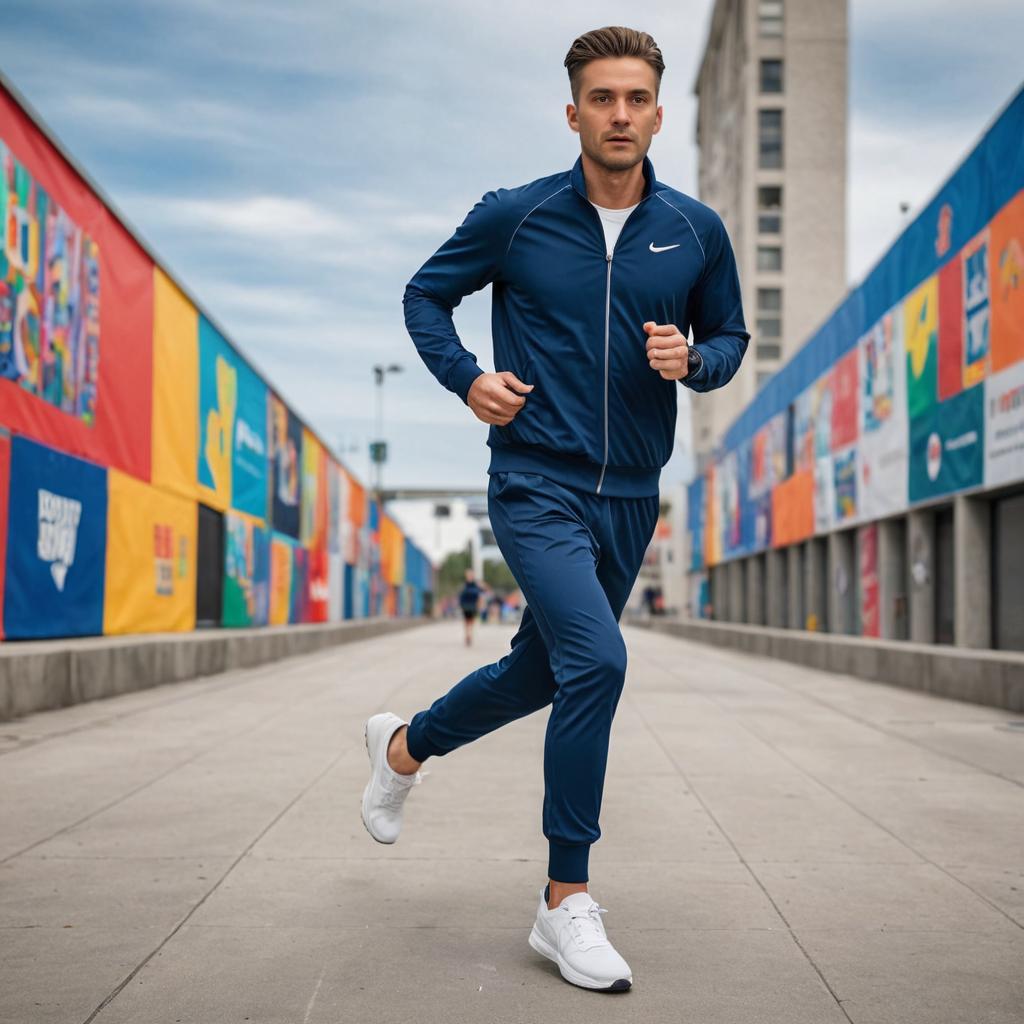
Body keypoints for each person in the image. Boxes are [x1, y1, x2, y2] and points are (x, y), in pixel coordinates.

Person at [360, 25, 748, 992]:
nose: (621, 114)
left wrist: (693, 362)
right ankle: (564, 900)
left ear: (660, 113)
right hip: (534, 480)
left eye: (637, 100)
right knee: (599, 662)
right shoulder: (517, 217)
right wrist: (467, 381)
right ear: (573, 111)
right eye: (602, 99)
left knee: (543, 670)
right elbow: (424, 296)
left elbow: (732, 336)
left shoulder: (695, 231)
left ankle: (405, 745)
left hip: (630, 498)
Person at [457, 569, 485, 646]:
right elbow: (461, 596)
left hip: (473, 605)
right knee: (466, 621)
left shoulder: (476, 585)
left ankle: (469, 635)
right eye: (468, 575)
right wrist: (460, 605)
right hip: (465, 605)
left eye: (471, 575)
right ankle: (468, 635)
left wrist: (480, 604)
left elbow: (482, 593)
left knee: (471, 621)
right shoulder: (464, 585)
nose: (469, 576)